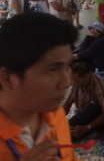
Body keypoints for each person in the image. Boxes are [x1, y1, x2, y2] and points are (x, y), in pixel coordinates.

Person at [0, 12, 78, 160]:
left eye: (67, 66)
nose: (67, 81)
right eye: (52, 69)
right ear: (8, 78)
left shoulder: (55, 115)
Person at [63, 61, 104, 139]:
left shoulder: (100, 85)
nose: (75, 84)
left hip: (99, 119)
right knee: (64, 131)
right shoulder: (76, 84)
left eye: (77, 81)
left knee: (92, 108)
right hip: (83, 115)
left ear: (87, 76)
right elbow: (68, 103)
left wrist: (87, 128)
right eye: (73, 82)